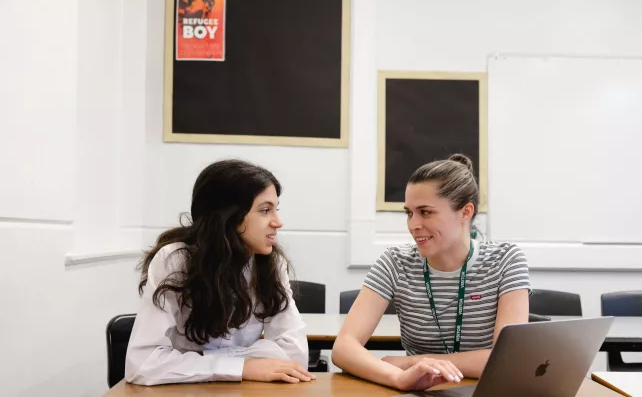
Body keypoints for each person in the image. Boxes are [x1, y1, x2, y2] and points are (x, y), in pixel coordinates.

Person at [331, 154, 530, 392]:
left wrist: (412, 362)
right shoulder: (395, 262)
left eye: (425, 212)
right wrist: (398, 377)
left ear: (465, 212)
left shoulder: (505, 260)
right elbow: (344, 348)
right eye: (409, 213)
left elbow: (508, 361)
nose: (413, 224)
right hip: (421, 391)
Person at [124, 159, 314, 386]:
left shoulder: (271, 264)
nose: (278, 222)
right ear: (229, 217)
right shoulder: (175, 260)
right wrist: (246, 364)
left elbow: (295, 355)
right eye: (265, 210)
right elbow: (142, 364)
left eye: (276, 209)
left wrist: (198, 362)